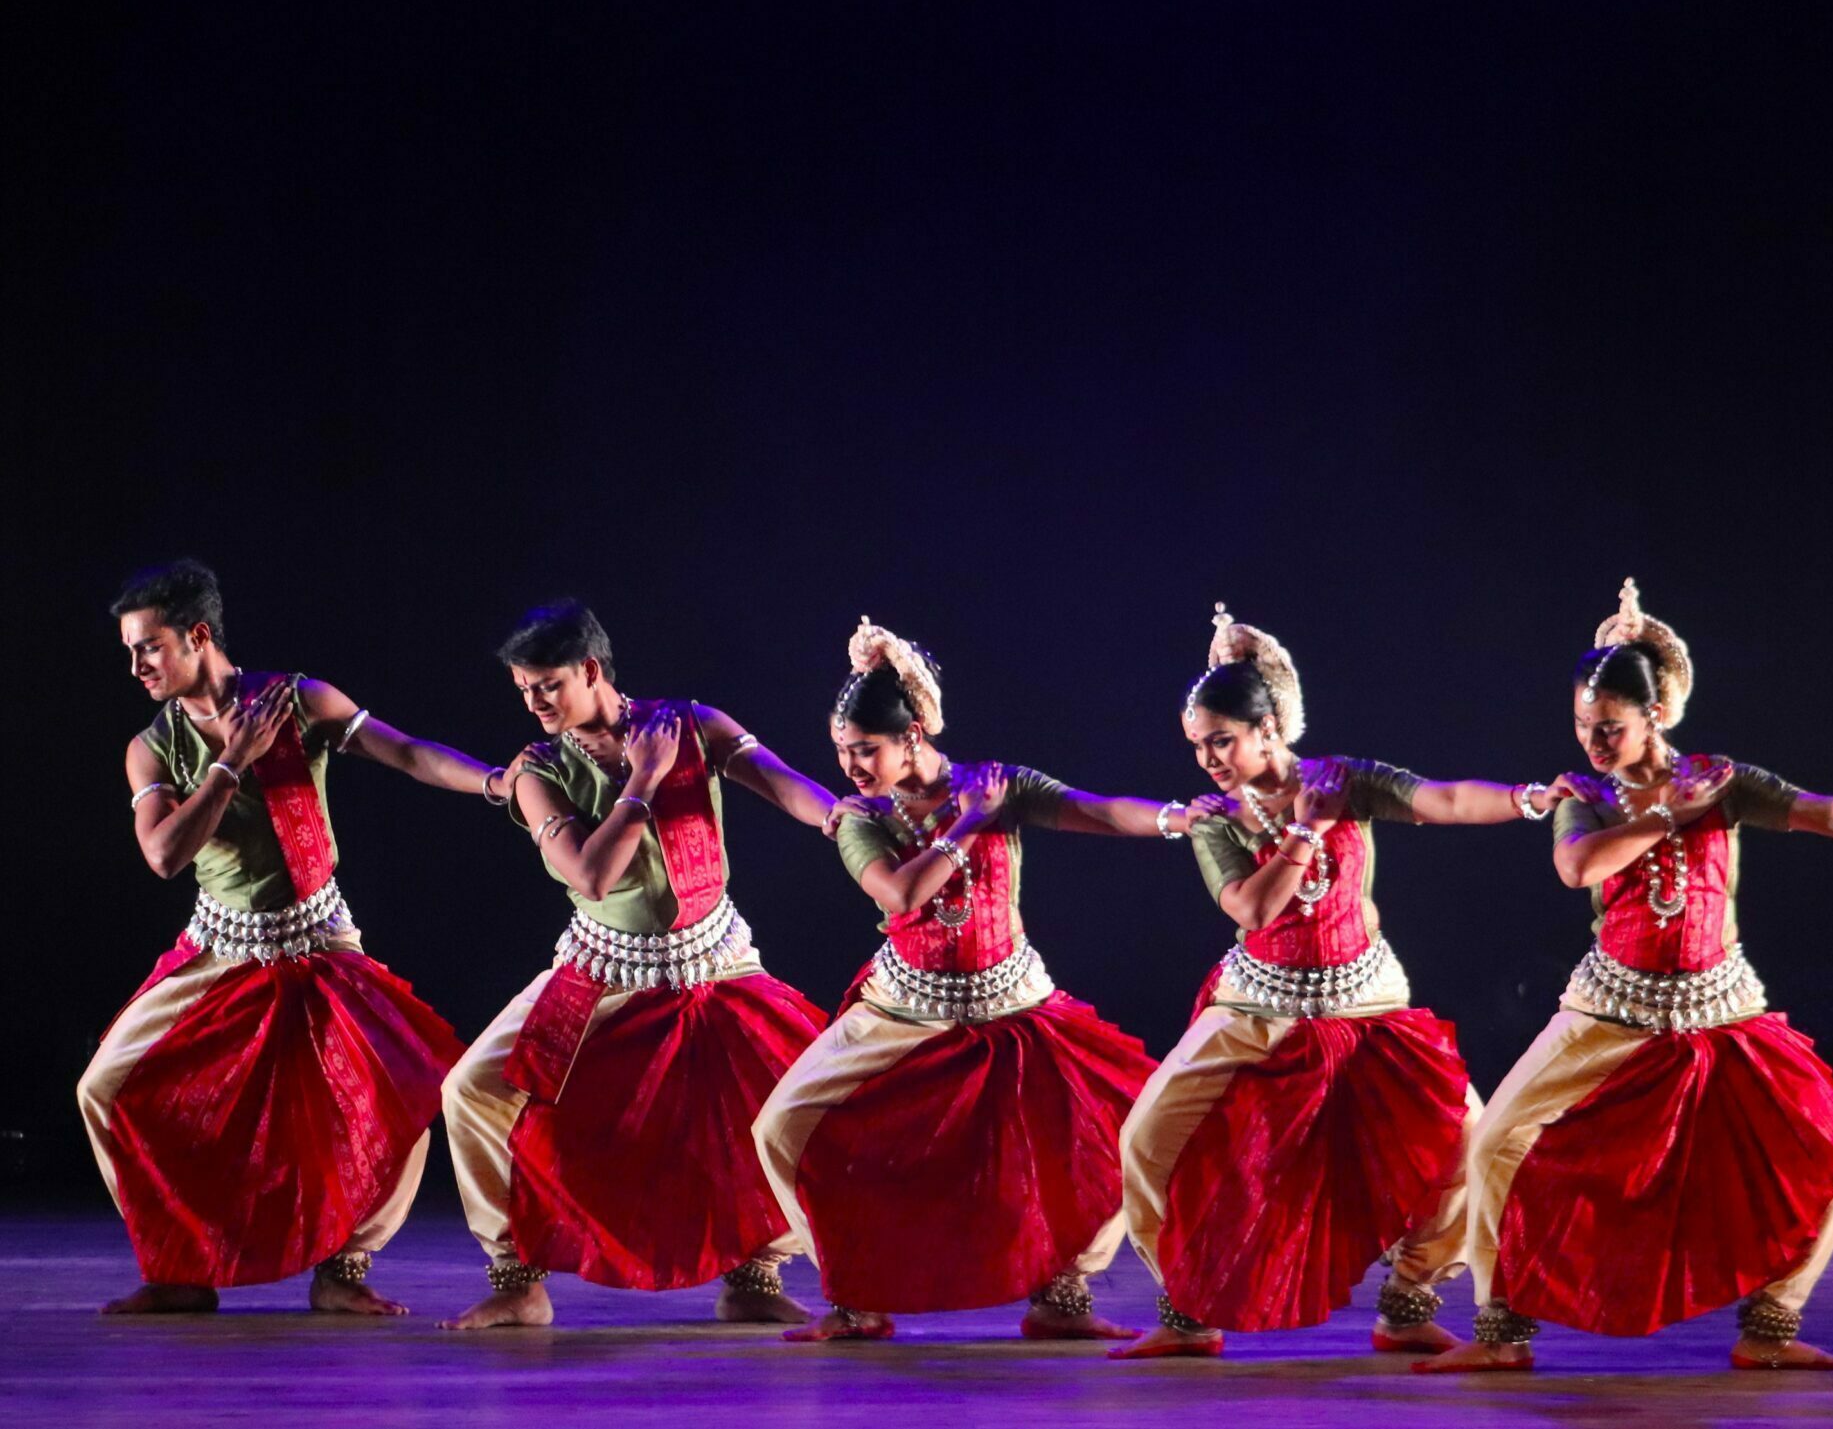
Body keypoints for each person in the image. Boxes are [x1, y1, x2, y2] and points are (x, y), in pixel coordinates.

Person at [1423, 579, 1833, 1375]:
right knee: (1495, 1142)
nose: (1594, 740)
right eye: (1584, 725)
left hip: (1720, 1005)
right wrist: (1666, 815)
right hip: (1610, 1005)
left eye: (1611, 727)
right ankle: (1500, 1330)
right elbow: (1576, 866)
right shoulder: (1586, 793)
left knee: (1829, 1144)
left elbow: (1821, 811)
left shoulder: (1720, 779)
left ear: (1654, 715)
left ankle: (1771, 1324)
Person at [1112, 604, 1552, 1361]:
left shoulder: (1345, 780)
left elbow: (1441, 799)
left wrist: (1525, 799)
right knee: (1147, 1139)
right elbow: (1252, 908)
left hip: (1367, 1001)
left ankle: (1410, 1299)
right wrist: (1306, 830)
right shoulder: (1218, 817)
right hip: (1256, 1004)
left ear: (1270, 726)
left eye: (1223, 739)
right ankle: (1188, 1305)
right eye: (1199, 744)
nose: (1209, 759)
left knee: (1464, 1136)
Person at [753, 618, 1171, 1344]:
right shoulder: (863, 816)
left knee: (1128, 1124)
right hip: (901, 1010)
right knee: (781, 1126)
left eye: (864, 749)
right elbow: (898, 895)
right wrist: (968, 823)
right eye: (841, 750)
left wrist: (1177, 819)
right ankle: (855, 1293)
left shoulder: (994, 785)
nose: (850, 766)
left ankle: (1062, 1293)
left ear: (912, 734)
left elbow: (1096, 810)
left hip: (1015, 1002)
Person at [86, 559, 484, 1316]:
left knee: (404, 1086)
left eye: (150, 646)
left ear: (197, 634)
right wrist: (231, 762)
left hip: (320, 939)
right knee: (104, 1086)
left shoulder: (299, 701)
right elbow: (166, 854)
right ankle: (181, 1266)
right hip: (219, 948)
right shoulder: (152, 747)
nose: (136, 666)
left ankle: (346, 1266)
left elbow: (405, 751)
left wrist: (495, 784)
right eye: (130, 651)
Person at [439, 601, 838, 1330]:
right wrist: (643, 781)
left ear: (592, 669)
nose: (534, 704)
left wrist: (838, 816)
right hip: (601, 970)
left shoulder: (689, 724)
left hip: (716, 961)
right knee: (473, 1090)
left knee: (791, 1091)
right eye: (524, 690)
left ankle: (756, 1271)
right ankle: (516, 1277)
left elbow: (781, 781)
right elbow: (591, 877)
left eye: (548, 685)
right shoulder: (541, 771)